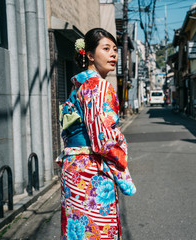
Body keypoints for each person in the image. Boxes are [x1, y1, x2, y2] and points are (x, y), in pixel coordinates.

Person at [57, 28, 136, 240]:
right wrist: (122, 159)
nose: (113, 54)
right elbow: (104, 140)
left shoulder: (80, 87)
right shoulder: (98, 86)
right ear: (90, 55)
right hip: (91, 171)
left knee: (79, 232)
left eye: (115, 49)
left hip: (73, 168)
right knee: (97, 231)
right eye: (106, 48)